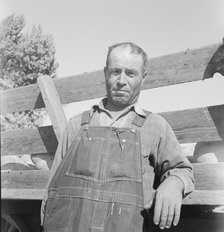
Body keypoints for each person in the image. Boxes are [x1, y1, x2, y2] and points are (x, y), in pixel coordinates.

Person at [41, 42, 194, 232]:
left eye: (131, 73)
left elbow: (182, 170)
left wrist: (174, 183)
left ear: (143, 78)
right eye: (115, 71)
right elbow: (52, 191)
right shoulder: (76, 125)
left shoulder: (155, 126)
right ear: (106, 72)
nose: (121, 80)